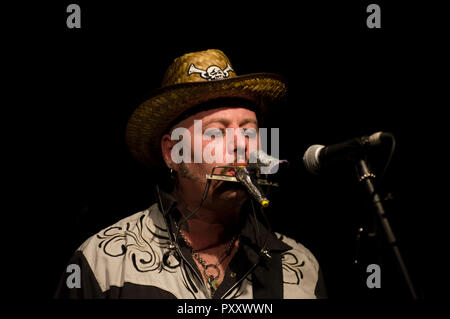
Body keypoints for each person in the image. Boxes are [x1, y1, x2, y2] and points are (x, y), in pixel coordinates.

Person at [55, 49, 327, 299]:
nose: (240, 145)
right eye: (215, 132)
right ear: (173, 152)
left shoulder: (300, 268)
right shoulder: (105, 261)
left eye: (249, 132)